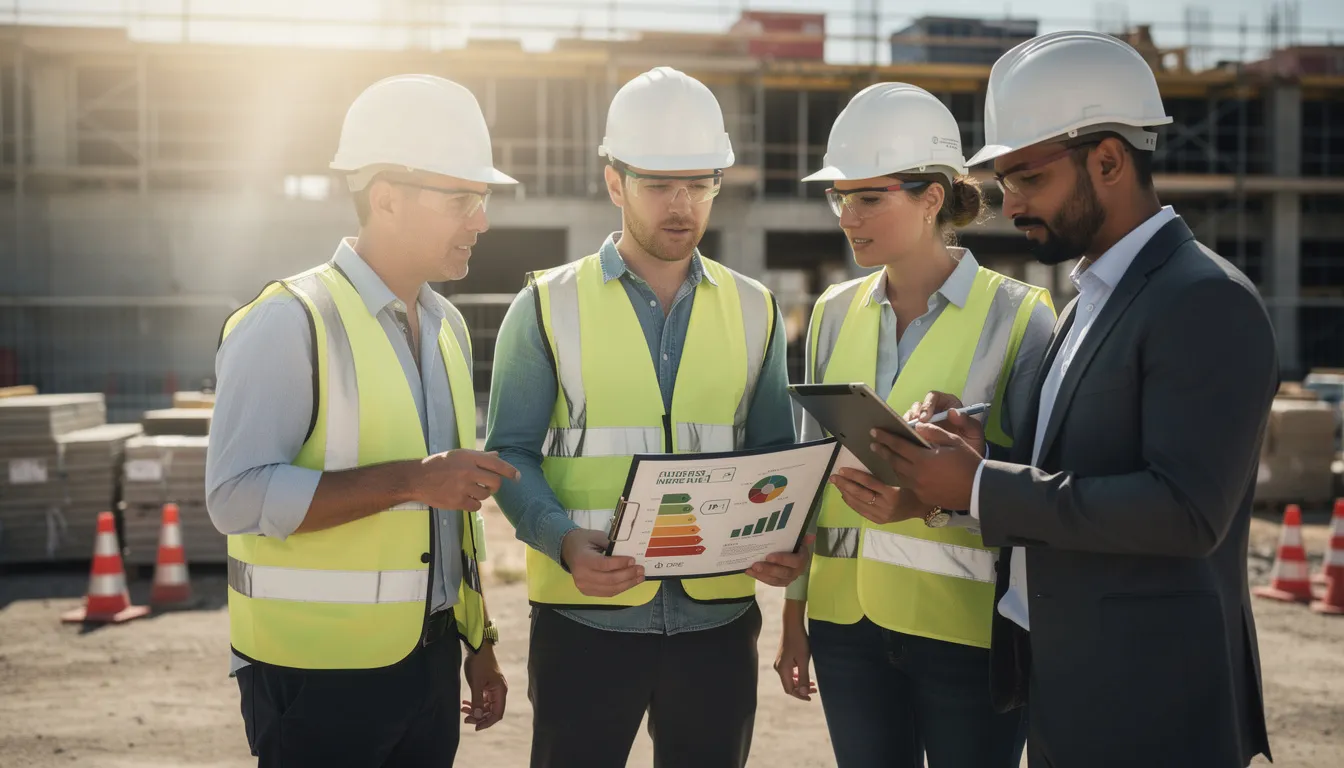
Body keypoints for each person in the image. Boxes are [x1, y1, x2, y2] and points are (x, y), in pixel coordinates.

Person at [871, 32, 1277, 767]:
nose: (1010, 203)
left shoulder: (1205, 300)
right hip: (1068, 685)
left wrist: (983, 486)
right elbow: (1080, 460)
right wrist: (978, 450)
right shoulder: (1090, 295)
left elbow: (1187, 512)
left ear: (1110, 159)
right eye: (1002, 180)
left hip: (1155, 707)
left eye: (1027, 178)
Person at [486, 66, 808, 768]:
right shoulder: (545, 305)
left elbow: (774, 453)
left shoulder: (755, 308)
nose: (682, 204)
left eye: (699, 184)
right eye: (660, 184)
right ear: (613, 183)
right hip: (585, 619)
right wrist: (565, 542)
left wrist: (784, 538)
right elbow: (509, 453)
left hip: (718, 622)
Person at [205, 74, 518, 767]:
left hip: (430, 663)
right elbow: (234, 497)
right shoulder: (287, 322)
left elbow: (451, 514)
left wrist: (478, 645)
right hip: (316, 677)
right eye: (463, 198)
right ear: (386, 198)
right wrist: (410, 481)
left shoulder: (447, 327)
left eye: (483, 198)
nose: (482, 220)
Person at [773, 82, 1055, 768]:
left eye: (870, 196)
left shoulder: (1022, 316)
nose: (849, 215)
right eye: (841, 197)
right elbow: (814, 473)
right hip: (844, 626)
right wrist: (795, 612)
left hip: (966, 630)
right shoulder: (833, 313)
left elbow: (1039, 491)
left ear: (932, 197)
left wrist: (923, 502)